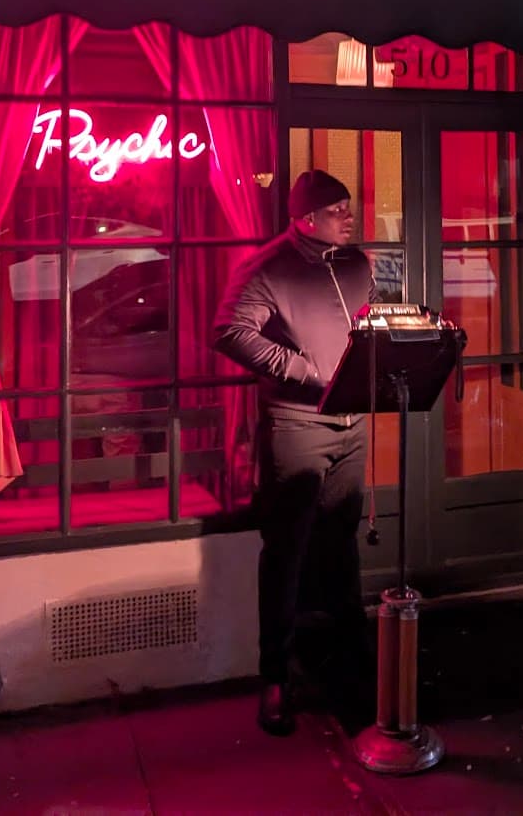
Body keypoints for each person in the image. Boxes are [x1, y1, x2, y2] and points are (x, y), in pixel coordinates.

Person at [213, 169, 375, 737]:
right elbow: (229, 331)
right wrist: (304, 371)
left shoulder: (355, 263)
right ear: (307, 218)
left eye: (350, 207)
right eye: (338, 210)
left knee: (342, 544)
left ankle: (350, 661)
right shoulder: (266, 267)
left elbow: (365, 324)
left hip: (352, 424)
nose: (350, 217)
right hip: (298, 424)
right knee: (287, 552)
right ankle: (275, 678)